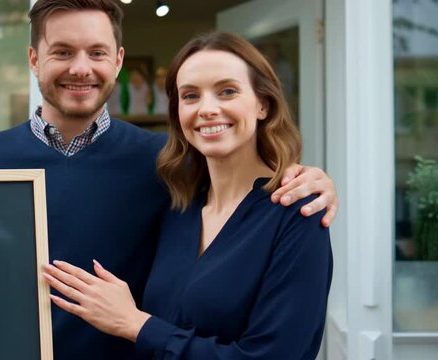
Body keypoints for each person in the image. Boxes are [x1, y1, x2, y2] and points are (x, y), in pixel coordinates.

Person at [0, 1, 337, 359]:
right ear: (34, 59)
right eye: (62, 52)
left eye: (97, 52)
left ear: (119, 61)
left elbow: (246, 189)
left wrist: (310, 180)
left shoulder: (169, 165)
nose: (81, 67)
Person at [42, 31, 332, 359]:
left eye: (227, 91)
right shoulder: (178, 205)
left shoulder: (296, 213)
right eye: (191, 96)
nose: (207, 109)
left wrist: (136, 324)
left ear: (263, 104)